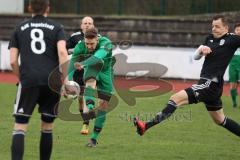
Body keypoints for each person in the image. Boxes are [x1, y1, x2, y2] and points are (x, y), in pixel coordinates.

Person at [134, 15, 240, 138]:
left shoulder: (232, 39)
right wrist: (201, 50)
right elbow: (196, 57)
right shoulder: (209, 38)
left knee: (175, 98)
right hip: (209, 85)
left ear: (226, 28)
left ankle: (145, 126)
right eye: (212, 26)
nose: (214, 29)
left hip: (210, 84)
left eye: (217, 26)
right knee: (220, 120)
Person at [9, 0, 69, 159]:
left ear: (29, 7)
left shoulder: (19, 28)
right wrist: (66, 80)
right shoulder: (57, 28)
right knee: (47, 126)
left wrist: (21, 77)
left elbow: (13, 61)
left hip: (28, 80)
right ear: (48, 8)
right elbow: (63, 53)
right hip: (52, 82)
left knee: (20, 126)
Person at [68, 27, 114, 147]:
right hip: (92, 68)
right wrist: (68, 81)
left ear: (97, 40)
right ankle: (90, 106)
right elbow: (72, 63)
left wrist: (83, 64)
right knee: (90, 81)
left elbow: (97, 57)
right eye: (87, 43)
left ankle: (93, 138)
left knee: (104, 105)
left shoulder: (107, 44)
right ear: (84, 40)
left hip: (105, 72)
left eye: (92, 44)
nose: (89, 46)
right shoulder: (80, 46)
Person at [67, 16, 95, 135]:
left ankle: (86, 123)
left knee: (87, 95)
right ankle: (87, 116)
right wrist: (74, 51)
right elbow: (65, 48)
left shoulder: (98, 38)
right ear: (81, 25)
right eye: (85, 23)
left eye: (89, 23)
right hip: (78, 72)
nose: (87, 25)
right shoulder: (74, 37)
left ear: (93, 26)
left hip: (92, 71)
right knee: (80, 99)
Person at [228, 23, 240, 107]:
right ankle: (234, 102)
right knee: (233, 85)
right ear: (235, 31)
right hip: (232, 65)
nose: (239, 31)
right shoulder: (231, 39)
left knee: (237, 83)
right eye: (237, 30)